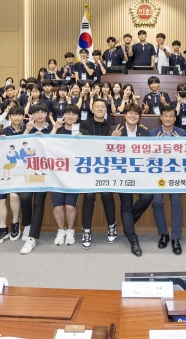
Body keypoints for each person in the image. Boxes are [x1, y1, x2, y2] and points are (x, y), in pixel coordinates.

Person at [110, 103, 148, 256]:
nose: (133, 116)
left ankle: (128, 222)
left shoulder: (144, 133)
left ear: (139, 117)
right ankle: (133, 240)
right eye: (130, 113)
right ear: (125, 115)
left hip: (140, 174)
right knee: (126, 205)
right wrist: (112, 140)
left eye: (136, 113)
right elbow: (105, 153)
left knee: (147, 197)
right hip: (122, 174)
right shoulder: (116, 130)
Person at [78, 99, 117, 249]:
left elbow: (115, 148)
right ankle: (86, 231)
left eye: (103, 107)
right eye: (97, 107)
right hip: (89, 169)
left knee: (107, 194)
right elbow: (84, 145)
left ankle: (112, 225)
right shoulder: (83, 125)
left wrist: (115, 138)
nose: (100, 109)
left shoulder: (113, 125)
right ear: (92, 109)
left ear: (106, 110)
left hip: (107, 169)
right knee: (89, 195)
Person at [148, 105, 186, 254]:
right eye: (166, 115)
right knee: (157, 202)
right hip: (158, 175)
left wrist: (181, 145)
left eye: (171, 116)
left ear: (175, 118)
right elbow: (147, 157)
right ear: (161, 117)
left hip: (175, 174)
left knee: (176, 201)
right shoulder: (152, 134)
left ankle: (176, 238)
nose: (168, 118)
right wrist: (154, 146)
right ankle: (163, 233)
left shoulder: (182, 133)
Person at [18, 105, 52, 254]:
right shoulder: (27, 128)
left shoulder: (52, 128)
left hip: (45, 173)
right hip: (28, 172)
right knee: (25, 198)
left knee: (39, 203)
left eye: (42, 112)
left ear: (46, 114)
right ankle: (27, 225)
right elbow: (18, 146)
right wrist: (27, 131)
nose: (40, 115)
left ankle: (32, 238)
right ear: (32, 115)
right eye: (37, 112)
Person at [49, 105, 82, 247]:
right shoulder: (57, 129)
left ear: (78, 117)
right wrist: (55, 127)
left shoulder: (82, 131)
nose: (70, 116)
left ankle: (70, 231)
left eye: (73, 114)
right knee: (57, 207)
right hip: (57, 175)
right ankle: (61, 230)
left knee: (69, 206)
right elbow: (46, 145)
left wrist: (83, 140)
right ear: (63, 116)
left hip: (74, 176)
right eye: (67, 113)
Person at [0, 106, 25, 245]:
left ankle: (15, 223)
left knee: (13, 195)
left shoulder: (27, 129)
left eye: (19, 115)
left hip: (21, 173)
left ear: (23, 116)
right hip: (4, 171)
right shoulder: (5, 131)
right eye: (14, 115)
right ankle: (3, 228)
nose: (17, 117)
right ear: (9, 117)